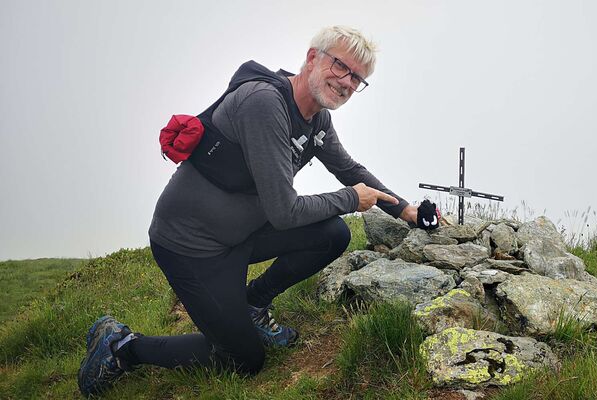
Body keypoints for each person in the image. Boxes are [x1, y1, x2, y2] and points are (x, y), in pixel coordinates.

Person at [78, 26, 420, 397]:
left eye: (358, 78)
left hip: (243, 232)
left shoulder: (317, 118)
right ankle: (122, 346)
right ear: (311, 58)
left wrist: (406, 210)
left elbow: (349, 170)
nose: (347, 82)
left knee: (333, 234)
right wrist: (351, 199)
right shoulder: (263, 103)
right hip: (193, 248)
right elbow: (285, 212)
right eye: (341, 66)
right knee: (241, 360)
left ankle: (252, 304)